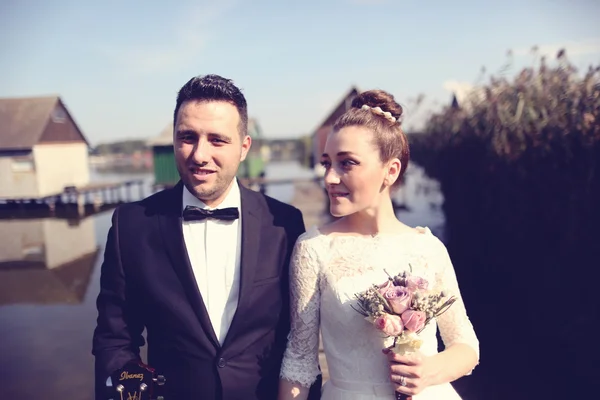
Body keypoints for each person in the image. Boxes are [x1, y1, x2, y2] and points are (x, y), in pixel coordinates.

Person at [92, 74, 322, 400]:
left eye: (217, 140)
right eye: (188, 137)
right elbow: (114, 338)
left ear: (244, 148)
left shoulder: (284, 223)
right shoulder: (131, 226)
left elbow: (300, 338)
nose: (200, 154)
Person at [277, 90, 480, 400]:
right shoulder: (314, 248)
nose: (329, 177)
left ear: (391, 170)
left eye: (347, 163)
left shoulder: (428, 247)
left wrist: (429, 370)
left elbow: (466, 346)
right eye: (326, 163)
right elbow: (300, 361)